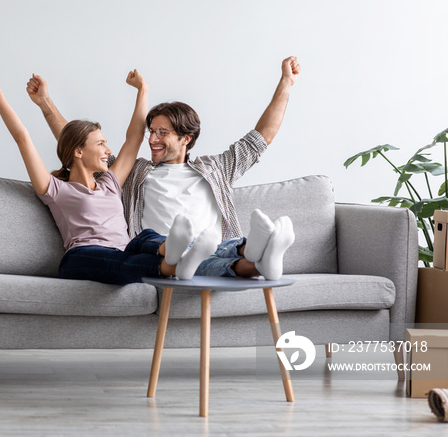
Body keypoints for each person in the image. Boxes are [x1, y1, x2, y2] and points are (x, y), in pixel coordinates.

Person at [26, 57, 301, 280]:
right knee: (210, 261)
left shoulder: (216, 168)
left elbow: (260, 139)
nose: (152, 139)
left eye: (162, 133)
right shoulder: (137, 172)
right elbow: (80, 146)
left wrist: (286, 82)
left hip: (213, 247)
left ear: (186, 138)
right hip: (164, 254)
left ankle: (262, 251)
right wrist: (45, 103)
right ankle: (261, 254)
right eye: (151, 131)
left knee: (224, 251)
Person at [0, 65, 218, 286]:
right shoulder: (55, 189)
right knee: (122, 262)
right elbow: (22, 137)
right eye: (101, 144)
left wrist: (142, 90)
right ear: (79, 151)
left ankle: (179, 252)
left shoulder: (110, 184)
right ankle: (171, 265)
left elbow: (134, 137)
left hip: (123, 252)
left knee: (145, 238)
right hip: (82, 257)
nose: (108, 151)